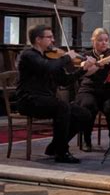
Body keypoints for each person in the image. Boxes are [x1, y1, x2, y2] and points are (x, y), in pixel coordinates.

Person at [16, 25, 96, 163]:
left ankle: (54, 146)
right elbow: (47, 67)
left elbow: (65, 81)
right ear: (38, 39)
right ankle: (61, 152)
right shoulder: (28, 55)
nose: (53, 40)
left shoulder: (52, 58)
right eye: (49, 37)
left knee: (84, 114)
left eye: (52, 37)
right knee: (62, 107)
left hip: (46, 100)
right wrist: (66, 57)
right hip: (29, 101)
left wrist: (83, 70)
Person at [75, 28, 110, 151]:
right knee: (88, 105)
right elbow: (88, 72)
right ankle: (87, 140)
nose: (104, 43)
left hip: (108, 89)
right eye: (100, 40)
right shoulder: (86, 55)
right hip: (89, 89)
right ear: (93, 41)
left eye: (106, 40)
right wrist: (103, 62)